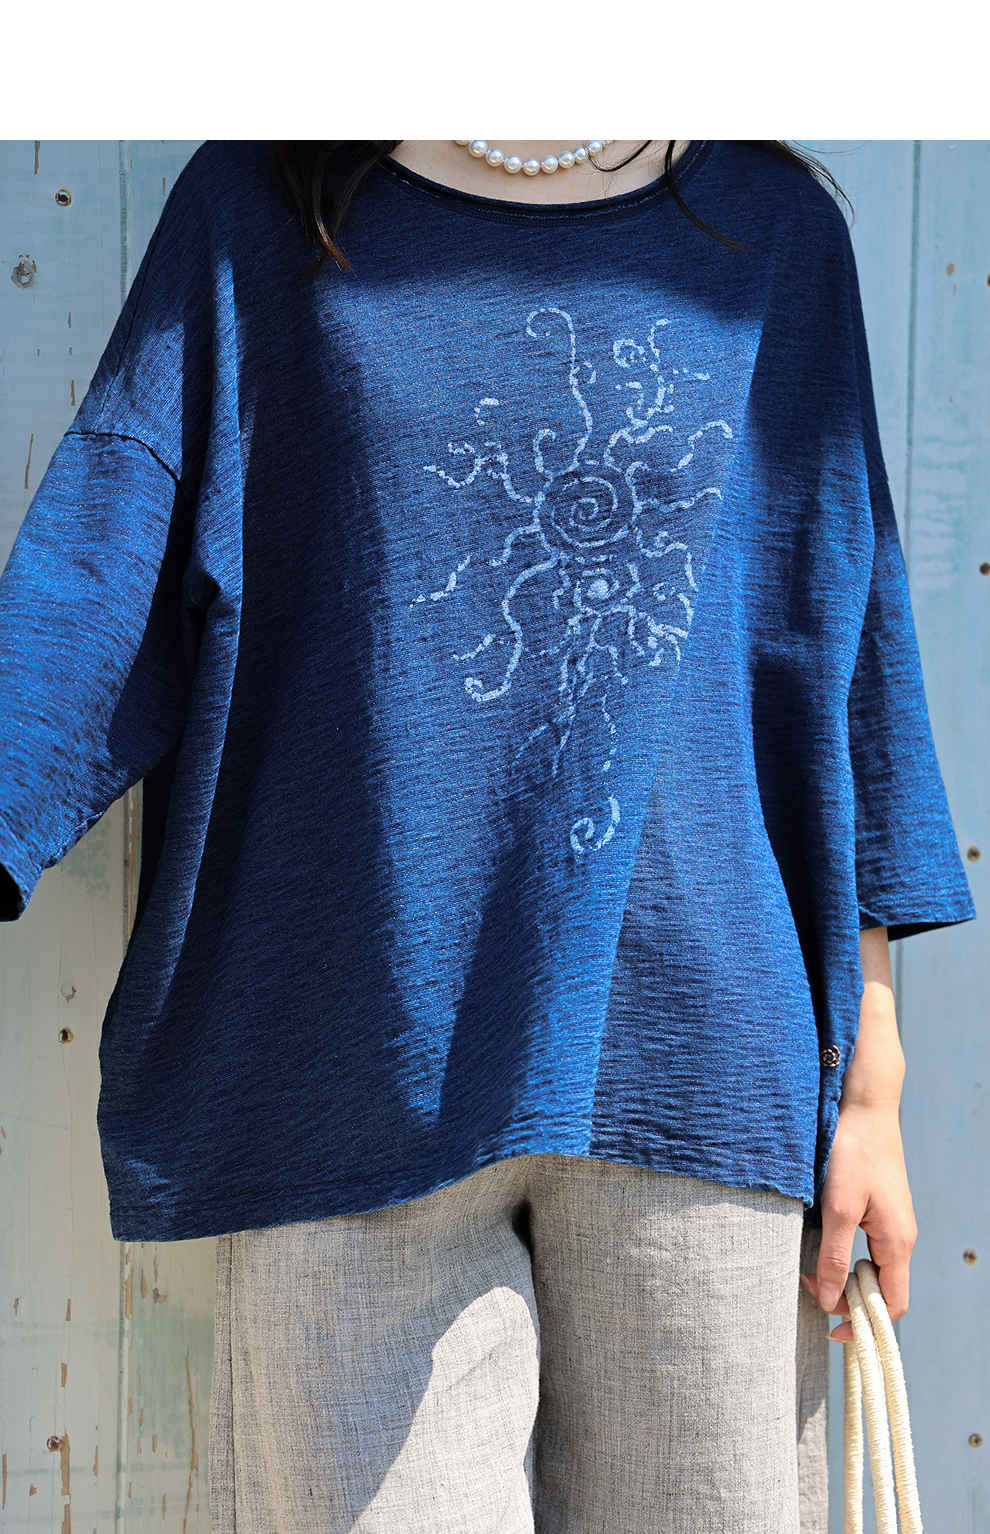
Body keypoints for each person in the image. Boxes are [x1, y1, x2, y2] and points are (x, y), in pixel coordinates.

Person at [0, 138, 976, 1533]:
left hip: (694, 1071)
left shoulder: (769, 232)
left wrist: (871, 1084)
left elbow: (843, 640)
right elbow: (107, 556)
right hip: (346, 1070)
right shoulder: (261, 209)